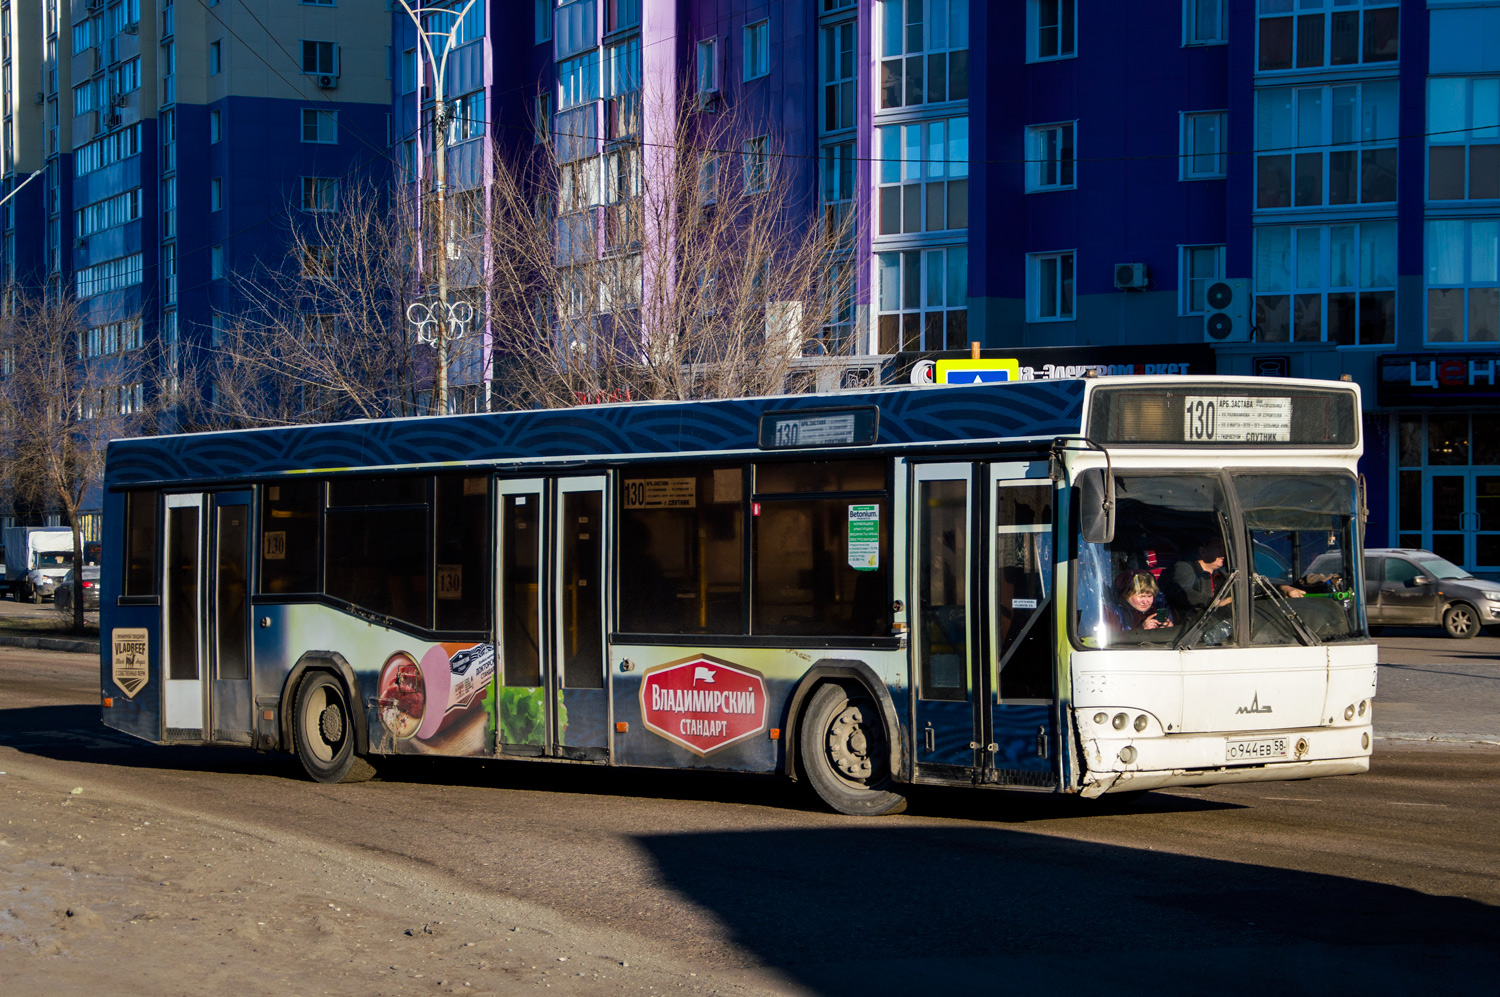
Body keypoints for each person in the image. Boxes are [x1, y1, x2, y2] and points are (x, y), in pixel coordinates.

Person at [1162, 540, 1227, 617]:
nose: (1223, 553)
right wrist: (1215, 602)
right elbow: (1183, 593)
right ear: (1203, 551)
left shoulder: (1222, 575)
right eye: (1219, 547)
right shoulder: (1184, 567)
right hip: (1191, 625)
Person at [1110, 570, 1174, 631]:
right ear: (1127, 595)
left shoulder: (1160, 608)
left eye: (1149, 596)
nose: (1145, 601)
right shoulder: (1116, 614)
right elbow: (1113, 640)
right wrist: (1141, 629)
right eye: (1141, 596)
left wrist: (1169, 629)